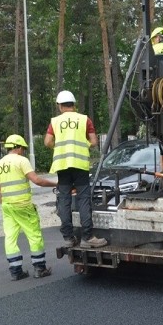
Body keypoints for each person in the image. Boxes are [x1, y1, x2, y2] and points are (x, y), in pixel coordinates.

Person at [44, 90, 108, 249]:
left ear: (59, 106)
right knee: (84, 199)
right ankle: (87, 237)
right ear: (73, 105)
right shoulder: (84, 119)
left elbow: (47, 142)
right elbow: (93, 142)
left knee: (64, 199)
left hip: (62, 165)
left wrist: (58, 148)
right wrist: (82, 146)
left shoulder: (55, 121)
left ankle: (68, 237)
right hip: (79, 165)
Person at [0, 134, 57, 281]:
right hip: (23, 205)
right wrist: (57, 184)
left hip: (7, 206)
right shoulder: (22, 161)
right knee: (34, 235)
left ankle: (16, 271)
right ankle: (39, 268)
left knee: (10, 237)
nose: (23, 151)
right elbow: (37, 180)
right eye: (23, 148)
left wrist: (4, 205)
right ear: (19, 147)